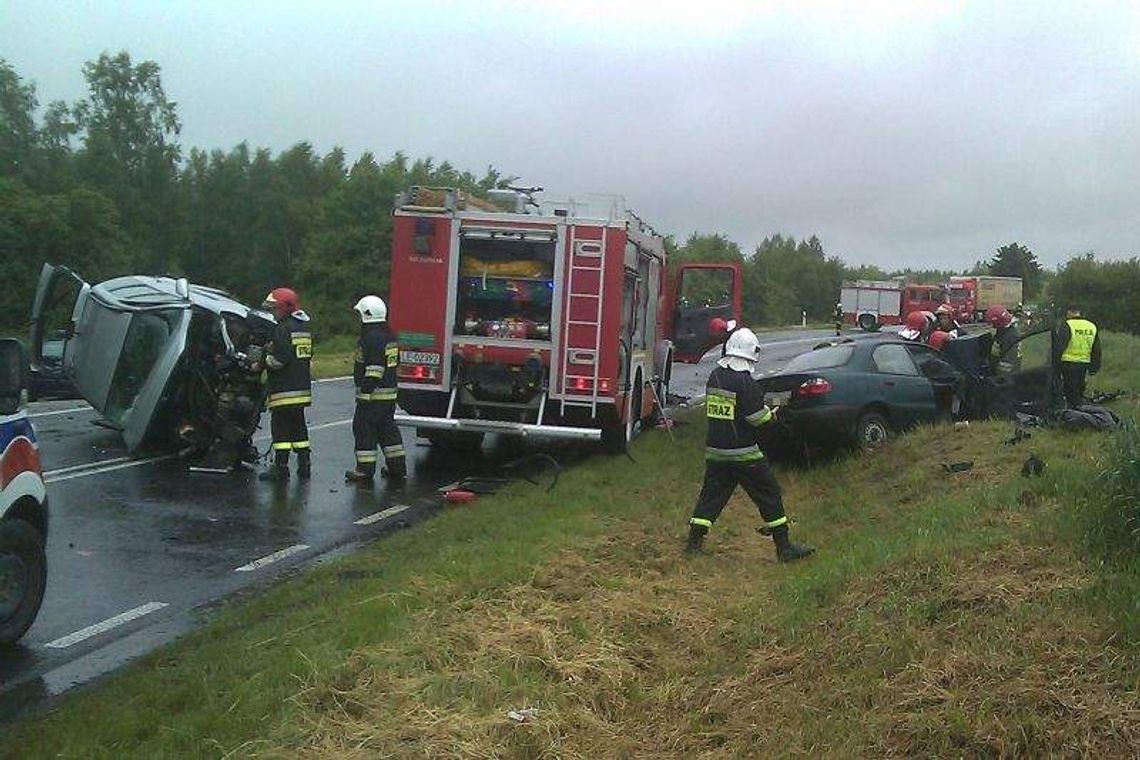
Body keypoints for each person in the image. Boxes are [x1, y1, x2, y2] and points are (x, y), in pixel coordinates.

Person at [685, 328, 814, 562]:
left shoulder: (716, 376)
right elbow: (756, 419)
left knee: (711, 497)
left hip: (716, 452)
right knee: (770, 495)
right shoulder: (745, 382)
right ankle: (784, 548)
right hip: (745, 455)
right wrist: (772, 415)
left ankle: (693, 543)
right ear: (751, 355)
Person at [344, 295, 406, 484]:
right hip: (389, 394)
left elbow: (375, 369)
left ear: (366, 315)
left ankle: (364, 470)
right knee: (387, 430)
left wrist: (365, 392)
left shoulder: (371, 338)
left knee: (363, 429)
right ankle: (397, 467)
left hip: (374, 396)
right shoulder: (389, 336)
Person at [258, 287, 313, 482]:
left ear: (284, 307)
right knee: (299, 427)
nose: (273, 313)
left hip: (284, 390)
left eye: (275, 308)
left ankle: (280, 468)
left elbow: (278, 361)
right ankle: (304, 464)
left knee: (281, 429)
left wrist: (263, 361)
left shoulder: (282, 329)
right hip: (301, 389)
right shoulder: (302, 328)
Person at [1053, 305, 1101, 407]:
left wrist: (1054, 363)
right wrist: (1095, 367)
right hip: (1084, 364)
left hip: (1068, 363)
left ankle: (1073, 411)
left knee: (1069, 389)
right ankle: (1080, 408)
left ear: (1069, 312)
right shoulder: (1091, 326)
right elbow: (1096, 349)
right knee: (1079, 388)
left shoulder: (1067, 325)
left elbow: (1060, 346)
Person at [986, 305, 1021, 372]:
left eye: (993, 324)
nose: (993, 326)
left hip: (1007, 376)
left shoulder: (1009, 337)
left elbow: (1007, 366)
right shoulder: (1006, 331)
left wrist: (992, 371)